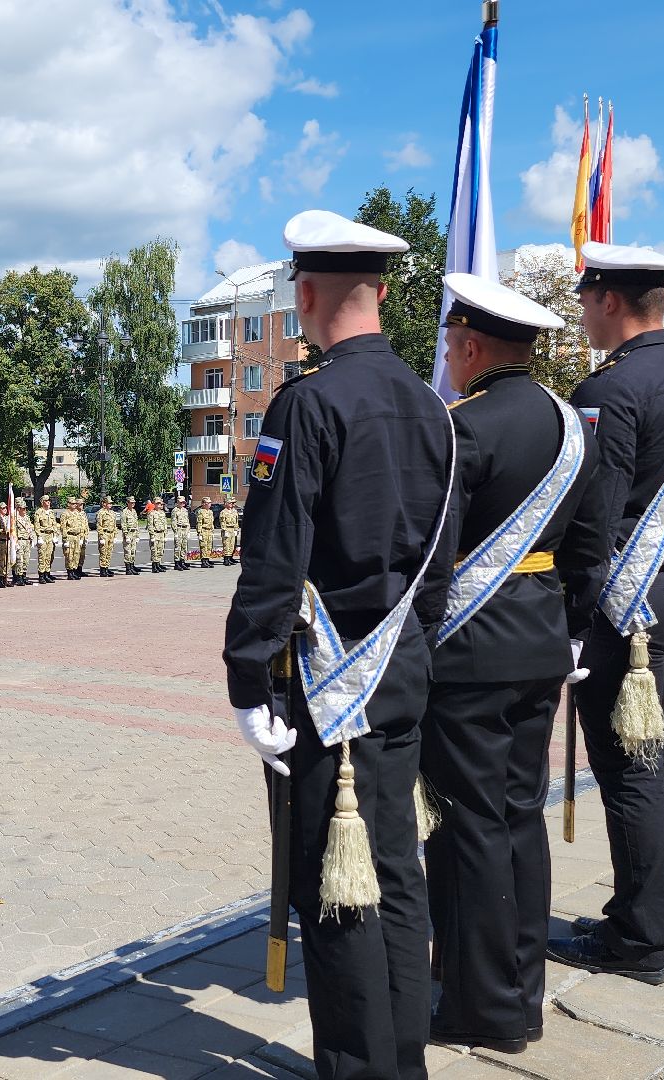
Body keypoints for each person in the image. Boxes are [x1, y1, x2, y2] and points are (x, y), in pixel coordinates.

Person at [225, 210, 452, 1079]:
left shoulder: (307, 403)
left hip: (327, 681)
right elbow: (442, 562)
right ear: (386, 294)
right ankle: (403, 1060)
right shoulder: (433, 406)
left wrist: (248, 680)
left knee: (337, 888)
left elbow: (274, 559)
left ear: (306, 295)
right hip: (399, 669)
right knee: (395, 872)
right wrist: (414, 647)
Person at [418, 272, 587, 1053]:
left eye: (451, 346)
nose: (447, 360)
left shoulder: (463, 427)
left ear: (473, 345)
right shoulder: (568, 422)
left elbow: (432, 555)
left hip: (472, 651)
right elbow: (591, 540)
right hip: (541, 641)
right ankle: (524, 991)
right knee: (521, 818)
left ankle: (482, 1007)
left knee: (469, 829)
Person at [551, 241, 664, 985]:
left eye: (585, 299)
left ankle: (642, 940)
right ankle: (657, 917)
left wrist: (571, 616)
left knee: (628, 772)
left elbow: (594, 517)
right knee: (663, 763)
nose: (583, 312)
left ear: (610, 300)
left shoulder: (610, 389)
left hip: (625, 601)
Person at [34, 495, 61, 583]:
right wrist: (39, 537)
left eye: (49, 500)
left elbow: (55, 524)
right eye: (47, 500)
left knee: (49, 556)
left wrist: (56, 535)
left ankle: (47, 574)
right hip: (43, 535)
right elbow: (37, 526)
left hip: (50, 536)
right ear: (42, 502)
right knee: (42, 556)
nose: (49, 502)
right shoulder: (39, 512)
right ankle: (41, 575)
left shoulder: (51, 512)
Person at [62, 497, 89, 579]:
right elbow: (63, 527)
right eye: (73, 503)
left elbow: (81, 526)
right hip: (69, 536)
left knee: (76, 554)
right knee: (69, 555)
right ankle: (70, 573)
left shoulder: (77, 513)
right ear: (68, 504)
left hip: (77, 536)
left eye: (75, 504)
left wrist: (82, 537)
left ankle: (74, 571)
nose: (75, 505)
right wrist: (65, 539)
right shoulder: (65, 514)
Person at [14, 498, 36, 585]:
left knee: (26, 560)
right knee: (20, 560)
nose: (25, 510)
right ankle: (19, 577)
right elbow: (13, 531)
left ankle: (24, 576)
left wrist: (33, 538)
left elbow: (30, 528)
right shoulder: (15, 518)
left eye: (25, 508)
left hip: (27, 541)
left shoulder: (27, 517)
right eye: (23, 508)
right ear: (19, 509)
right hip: (20, 540)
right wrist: (15, 542)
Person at [96, 495, 119, 577]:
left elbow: (115, 525)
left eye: (111, 503)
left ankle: (107, 568)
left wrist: (115, 535)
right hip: (105, 534)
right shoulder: (101, 513)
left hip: (111, 534)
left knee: (109, 552)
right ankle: (102, 569)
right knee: (103, 552)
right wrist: (101, 537)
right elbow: (99, 525)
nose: (110, 505)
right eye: (108, 503)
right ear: (104, 504)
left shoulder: (112, 513)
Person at [145, 499, 170, 572]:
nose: (160, 505)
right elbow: (150, 525)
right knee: (154, 550)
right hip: (155, 533)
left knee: (160, 550)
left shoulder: (162, 513)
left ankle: (158, 564)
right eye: (158, 504)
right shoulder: (151, 513)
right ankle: (154, 566)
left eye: (160, 504)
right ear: (154, 504)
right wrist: (152, 536)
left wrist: (165, 534)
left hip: (161, 533)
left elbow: (165, 524)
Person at [120, 495, 142, 575]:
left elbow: (136, 524)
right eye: (131, 503)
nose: (133, 504)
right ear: (127, 503)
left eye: (133, 503)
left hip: (134, 533)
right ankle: (128, 569)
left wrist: (137, 535)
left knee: (133, 551)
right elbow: (123, 524)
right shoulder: (124, 512)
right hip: (128, 534)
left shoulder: (134, 511)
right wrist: (126, 535)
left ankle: (132, 566)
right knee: (128, 551)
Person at [0, 501, 13, 588]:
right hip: (0, 542)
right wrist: (4, 530)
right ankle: (0, 579)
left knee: (7, 561)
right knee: (1, 561)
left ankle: (6, 578)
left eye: (6, 508)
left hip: (7, 541)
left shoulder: (7, 518)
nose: (5, 509)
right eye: (3, 508)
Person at [171, 496, 193, 571]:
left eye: (183, 502)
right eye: (180, 502)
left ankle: (182, 561)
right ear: (177, 502)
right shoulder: (175, 510)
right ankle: (177, 563)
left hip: (185, 529)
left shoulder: (185, 510)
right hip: (179, 529)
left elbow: (187, 521)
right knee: (178, 546)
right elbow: (173, 522)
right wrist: (175, 532)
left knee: (184, 546)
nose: (182, 503)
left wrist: (188, 531)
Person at [219, 495, 241, 565]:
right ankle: (226, 559)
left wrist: (236, 529)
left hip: (233, 529)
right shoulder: (223, 512)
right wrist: (224, 530)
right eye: (230, 503)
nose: (232, 504)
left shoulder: (234, 511)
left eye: (232, 503)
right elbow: (222, 522)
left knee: (232, 544)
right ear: (226, 503)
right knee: (227, 544)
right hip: (227, 529)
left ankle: (230, 558)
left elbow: (236, 521)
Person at [195, 500, 217, 568]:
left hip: (209, 531)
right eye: (208, 503)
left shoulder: (210, 511)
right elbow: (199, 523)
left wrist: (212, 530)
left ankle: (207, 559)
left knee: (209, 546)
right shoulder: (200, 511)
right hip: (203, 530)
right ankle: (203, 561)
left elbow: (211, 522)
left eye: (210, 503)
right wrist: (199, 532)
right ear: (204, 504)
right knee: (204, 546)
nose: (210, 504)